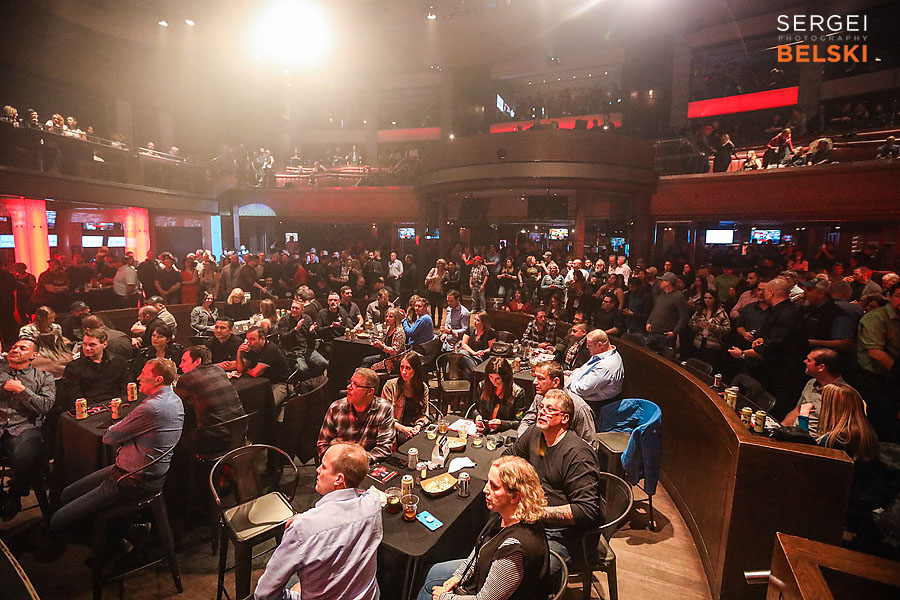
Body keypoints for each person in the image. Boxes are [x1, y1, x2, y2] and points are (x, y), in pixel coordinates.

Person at [50, 358, 184, 532]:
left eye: (143, 373)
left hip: (134, 480)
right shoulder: (173, 398)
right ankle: (119, 533)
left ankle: (115, 539)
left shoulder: (152, 407)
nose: (138, 377)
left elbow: (109, 437)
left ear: (158, 380)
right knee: (68, 493)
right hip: (141, 471)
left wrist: (125, 426)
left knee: (56, 520)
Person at [254, 442, 382, 600]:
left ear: (338, 479)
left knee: (294, 584)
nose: (317, 470)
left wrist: (294, 596)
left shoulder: (303, 529)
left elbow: (264, 594)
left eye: (324, 466)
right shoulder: (373, 504)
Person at [416, 456, 550, 600]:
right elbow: (481, 547)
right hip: (485, 573)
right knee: (434, 572)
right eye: (488, 483)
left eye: (494, 487)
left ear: (515, 497)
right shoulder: (504, 513)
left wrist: (445, 597)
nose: (485, 490)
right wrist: (459, 576)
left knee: (431, 592)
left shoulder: (513, 549)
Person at [509, 388, 603, 568]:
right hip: (537, 524)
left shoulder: (578, 455)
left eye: (550, 409)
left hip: (568, 536)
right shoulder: (535, 434)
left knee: (523, 571)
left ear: (565, 419)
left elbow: (586, 510)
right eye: (542, 407)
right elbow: (511, 455)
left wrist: (537, 511)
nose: (542, 411)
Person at [0, 338, 55, 521]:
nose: (15, 350)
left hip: (24, 427)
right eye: (14, 347)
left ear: (34, 355)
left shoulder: (44, 377)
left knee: (25, 454)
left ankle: (15, 493)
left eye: (22, 348)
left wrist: (22, 390)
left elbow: (45, 406)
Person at [175, 346, 246, 455]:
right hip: (238, 433)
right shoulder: (219, 370)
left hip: (215, 438)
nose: (180, 365)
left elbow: (175, 404)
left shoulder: (187, 378)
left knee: (176, 440)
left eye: (184, 361)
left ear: (197, 361)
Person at [317, 368, 395, 463]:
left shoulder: (384, 409)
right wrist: (342, 462)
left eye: (356, 385)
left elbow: (384, 449)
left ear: (370, 392)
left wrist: (356, 462)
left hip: (366, 465)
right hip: (339, 464)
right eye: (350, 383)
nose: (349, 387)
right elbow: (323, 445)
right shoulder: (336, 408)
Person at [519, 361, 596, 446]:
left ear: (556, 382)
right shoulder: (540, 396)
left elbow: (590, 444)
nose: (534, 382)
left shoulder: (579, 408)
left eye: (541, 378)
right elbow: (527, 421)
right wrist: (524, 444)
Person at [781, 349, 846, 436]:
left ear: (821, 367)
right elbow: (797, 411)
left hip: (813, 443)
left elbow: (839, 433)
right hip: (794, 434)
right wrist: (780, 429)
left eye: (809, 360)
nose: (804, 361)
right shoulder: (811, 383)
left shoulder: (843, 395)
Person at [566, 329, 624, 423]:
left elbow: (583, 389)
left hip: (594, 406)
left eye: (589, 345)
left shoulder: (607, 365)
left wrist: (567, 381)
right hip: (582, 394)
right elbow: (585, 371)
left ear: (600, 345)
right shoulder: (602, 353)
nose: (587, 347)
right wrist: (571, 374)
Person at [62, 328, 131, 406]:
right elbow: (74, 395)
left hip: (117, 403)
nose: (87, 348)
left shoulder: (118, 361)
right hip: (90, 408)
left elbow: (126, 385)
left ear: (104, 344)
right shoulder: (73, 367)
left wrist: (120, 402)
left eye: (92, 345)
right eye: (84, 344)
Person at [237, 326, 292, 412]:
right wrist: (239, 353)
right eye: (247, 339)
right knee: (247, 401)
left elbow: (255, 373)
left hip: (281, 384)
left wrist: (247, 371)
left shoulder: (270, 349)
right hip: (262, 383)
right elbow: (240, 369)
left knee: (264, 406)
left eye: (252, 339)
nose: (249, 342)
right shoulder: (252, 349)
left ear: (262, 339)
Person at [381, 353, 430, 443]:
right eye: (401, 367)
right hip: (396, 428)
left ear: (415, 370)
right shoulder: (390, 386)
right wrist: (404, 429)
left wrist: (418, 426)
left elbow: (424, 414)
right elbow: (385, 416)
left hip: (416, 427)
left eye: (408, 368)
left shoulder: (423, 387)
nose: (403, 371)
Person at [276, 299, 328, 381]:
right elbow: (283, 338)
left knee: (324, 363)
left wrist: (311, 332)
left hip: (306, 348)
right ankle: (305, 384)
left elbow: (311, 338)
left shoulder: (307, 318)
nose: (293, 310)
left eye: (296, 308)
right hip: (292, 351)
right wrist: (295, 329)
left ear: (302, 310)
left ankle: (310, 380)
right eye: (292, 307)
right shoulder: (284, 320)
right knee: (303, 369)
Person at [474, 358, 527, 433]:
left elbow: (519, 421)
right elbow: (475, 408)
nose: (493, 381)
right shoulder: (482, 386)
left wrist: (502, 424)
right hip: (484, 429)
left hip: (504, 433)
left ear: (505, 377)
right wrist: (477, 416)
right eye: (491, 377)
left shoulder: (518, 392)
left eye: (497, 378)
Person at [645, 272, 689, 356]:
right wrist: (649, 322)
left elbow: (684, 317)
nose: (660, 283)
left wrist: (675, 332)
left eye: (662, 281)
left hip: (666, 335)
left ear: (668, 282)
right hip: (653, 332)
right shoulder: (662, 294)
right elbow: (655, 309)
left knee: (664, 360)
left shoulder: (679, 296)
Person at [688, 290, 731, 369]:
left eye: (710, 298)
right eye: (705, 298)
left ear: (715, 299)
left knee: (710, 367)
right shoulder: (700, 311)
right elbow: (691, 323)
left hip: (713, 345)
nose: (707, 300)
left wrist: (712, 326)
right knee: (697, 366)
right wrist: (699, 325)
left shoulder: (721, 313)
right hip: (699, 342)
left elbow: (727, 329)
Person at [365, 307, 406, 373]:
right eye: (386, 316)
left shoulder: (399, 332)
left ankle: (367, 380)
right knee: (366, 360)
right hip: (386, 356)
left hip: (394, 360)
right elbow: (386, 345)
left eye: (390, 317)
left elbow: (395, 352)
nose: (387, 319)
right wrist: (379, 344)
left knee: (372, 367)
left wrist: (382, 346)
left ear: (396, 318)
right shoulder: (389, 328)